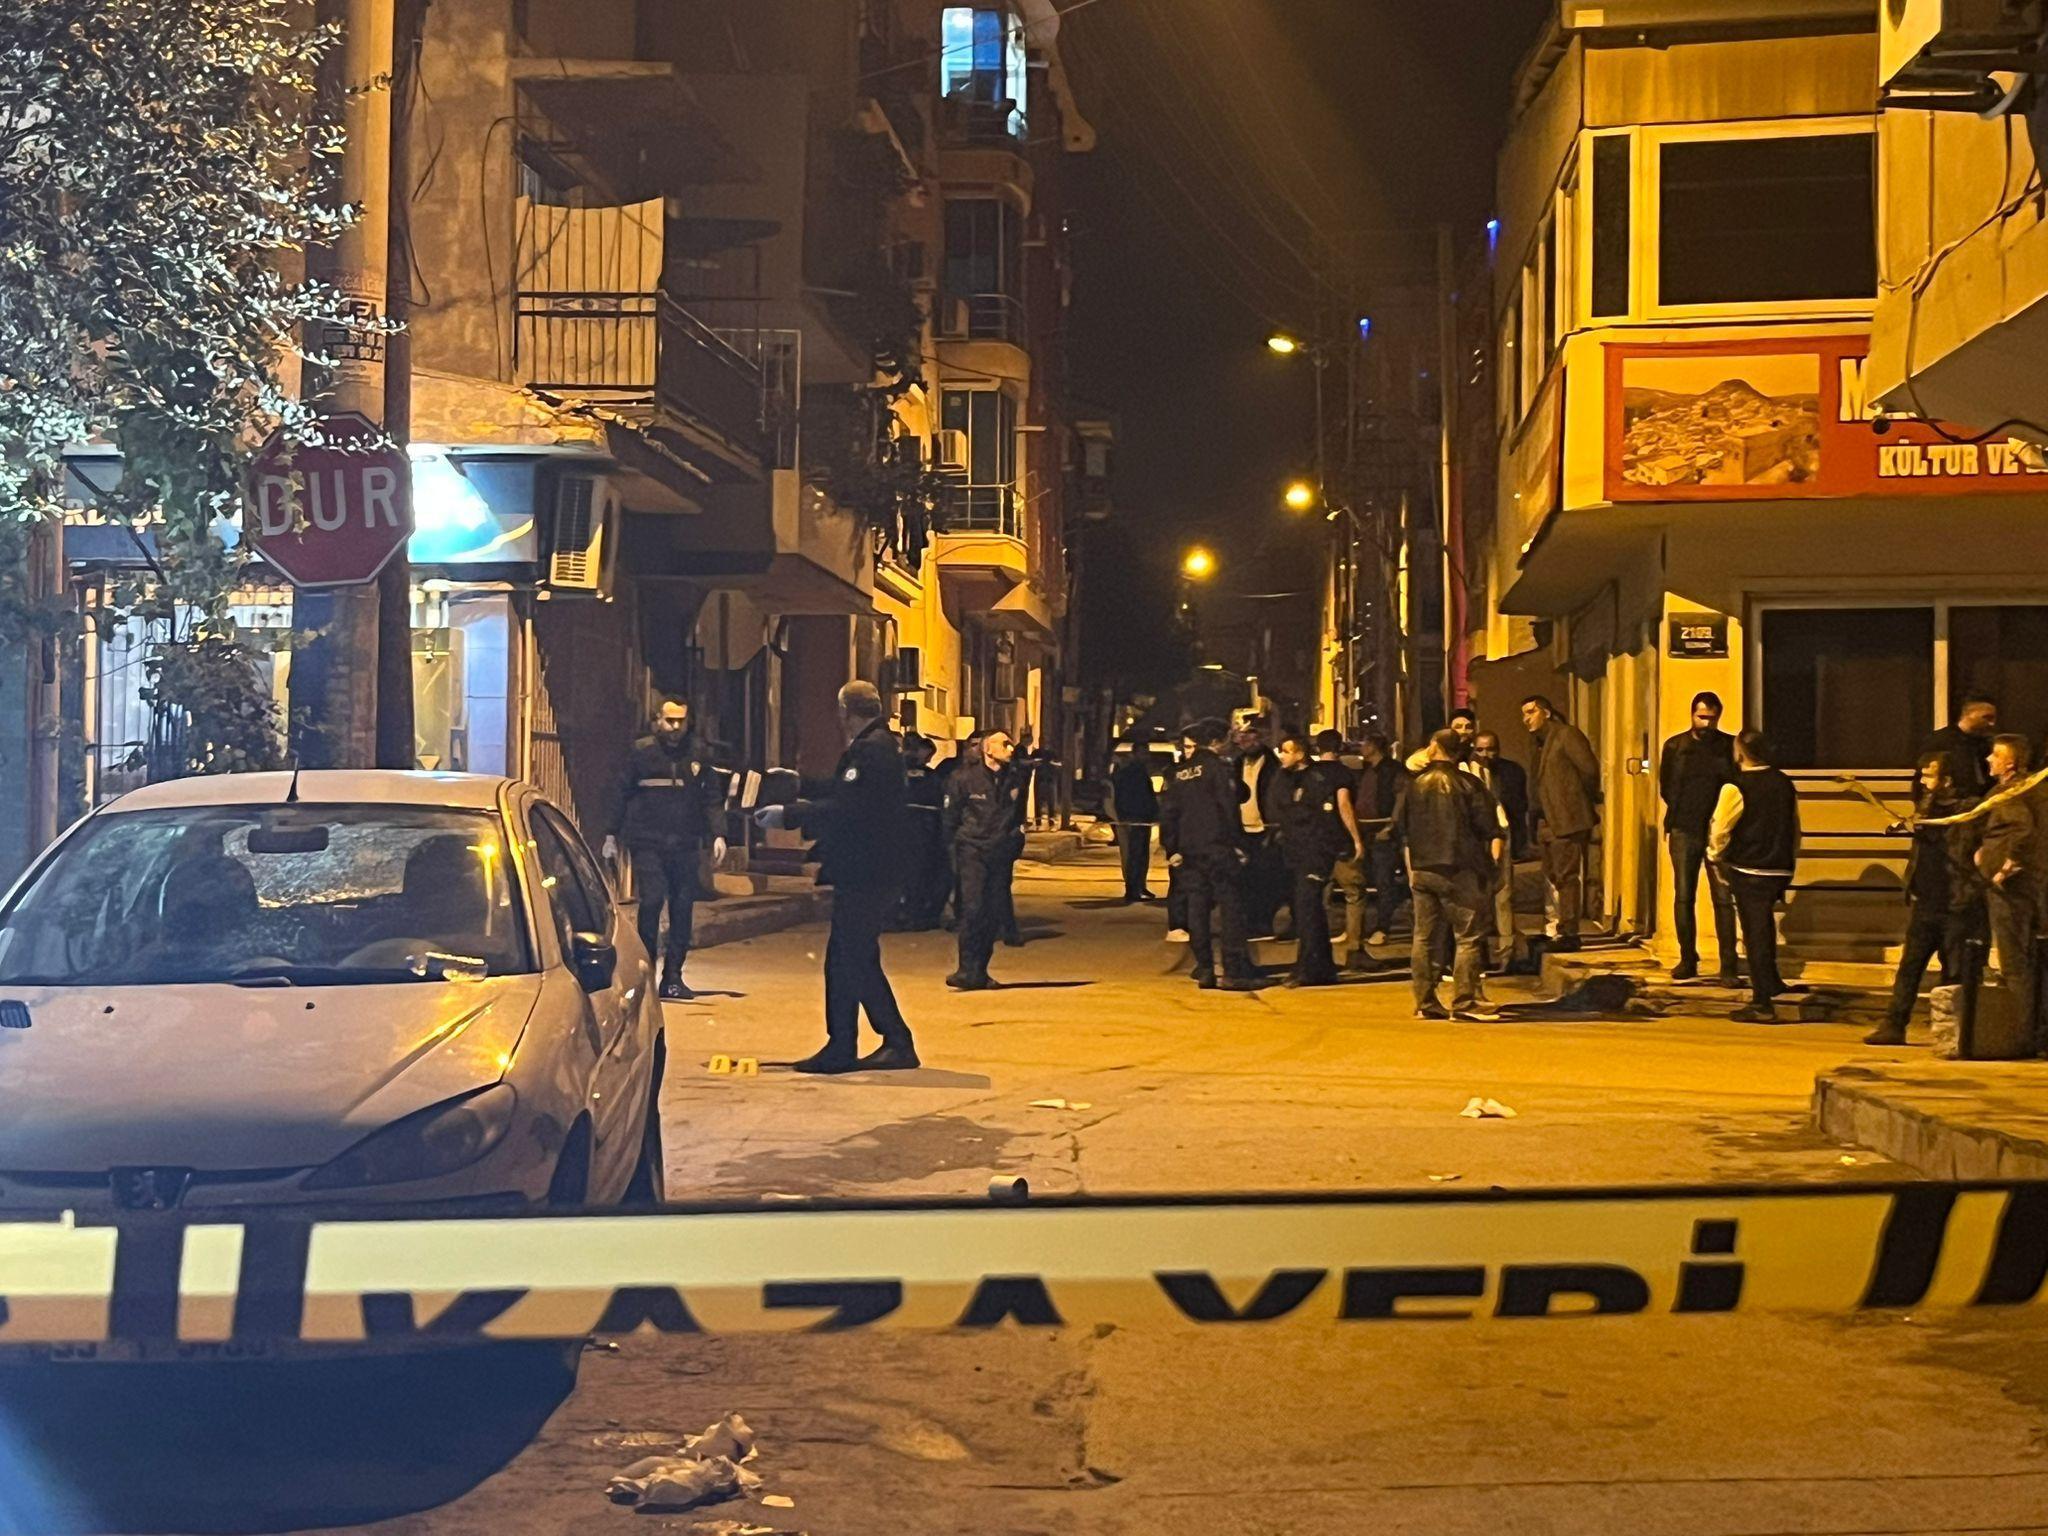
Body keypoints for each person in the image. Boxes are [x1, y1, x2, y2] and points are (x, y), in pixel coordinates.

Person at [756, 681, 918, 1074]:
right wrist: (799, 783)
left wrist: (789, 815)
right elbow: (842, 790)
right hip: (871, 870)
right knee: (849, 959)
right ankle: (854, 1043)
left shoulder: (871, 749)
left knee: (851, 959)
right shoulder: (877, 745)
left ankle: (885, 1041)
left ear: (845, 711)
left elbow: (850, 806)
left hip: (868, 871)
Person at [607, 696, 727, 1000]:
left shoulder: (699, 753)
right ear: (658, 721)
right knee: (651, 900)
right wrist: (610, 833)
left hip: (685, 843)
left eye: (680, 721)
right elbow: (620, 793)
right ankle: (645, 972)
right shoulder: (642, 753)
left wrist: (718, 834)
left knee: (682, 906)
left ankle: (673, 976)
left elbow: (712, 798)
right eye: (669, 720)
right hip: (648, 841)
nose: (675, 727)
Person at [1868, 750, 1985, 1047]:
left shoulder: (1969, 811)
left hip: (1956, 902)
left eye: (1929, 775)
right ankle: (1894, 1024)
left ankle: (1955, 1032)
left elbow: (1966, 849)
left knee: (1954, 971)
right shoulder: (1926, 806)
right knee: (1910, 966)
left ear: (1947, 780)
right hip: (1926, 901)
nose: (1922, 781)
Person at [1394, 727, 1505, 1021]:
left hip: (1423, 868)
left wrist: (1411, 867)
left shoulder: (1414, 784)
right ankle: (1464, 1001)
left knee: (1424, 937)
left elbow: (1401, 827)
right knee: (1468, 936)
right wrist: (1494, 867)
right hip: (1460, 868)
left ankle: (1425, 1000)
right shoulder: (1469, 783)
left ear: (1434, 747)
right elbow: (1489, 828)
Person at [1707, 729, 1801, 1024]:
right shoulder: (1783, 782)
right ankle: (1772, 982)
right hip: (1778, 866)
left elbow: (1721, 828)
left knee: (1755, 933)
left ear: (1740, 753)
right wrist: (1790, 858)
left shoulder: (1736, 786)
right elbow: (1795, 826)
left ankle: (1762, 1003)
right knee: (1765, 926)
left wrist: (1715, 856)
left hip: (1748, 867)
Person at [1161, 717, 1258, 991]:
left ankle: (1204, 968)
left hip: (1189, 850)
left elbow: (1168, 812)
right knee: (1231, 908)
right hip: (1218, 847)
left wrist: (1172, 848)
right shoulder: (1220, 768)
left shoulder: (1179, 772)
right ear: (1216, 741)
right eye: (1227, 738)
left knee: (1197, 909)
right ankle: (1233, 969)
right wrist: (1238, 844)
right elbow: (1228, 807)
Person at [1659, 691, 1739, 983]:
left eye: (1711, 718)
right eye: (1701, 717)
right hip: (1684, 827)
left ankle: (1728, 965)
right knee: (1684, 895)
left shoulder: (1729, 746)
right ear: (1692, 714)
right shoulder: (1676, 746)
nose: (1706, 724)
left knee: (1723, 898)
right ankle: (1687, 959)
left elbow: (1737, 786)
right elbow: (1666, 786)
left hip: (1719, 830)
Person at [1976, 732, 2044, 1051]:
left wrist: (2004, 868)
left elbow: (2024, 831)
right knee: (2026, 959)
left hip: (2012, 890)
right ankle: (2031, 1030)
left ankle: (2022, 1034)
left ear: (2010, 762)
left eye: (1995, 755)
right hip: (2020, 886)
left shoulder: (2014, 792)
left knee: (2015, 960)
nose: (1989, 759)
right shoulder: (2027, 789)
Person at [944, 728, 1026, 990]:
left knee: (992, 911)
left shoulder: (1015, 778)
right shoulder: (964, 778)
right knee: (973, 908)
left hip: (1000, 852)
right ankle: (966, 968)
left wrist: (1014, 841)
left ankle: (980, 971)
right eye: (1004, 744)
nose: (1010, 749)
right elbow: (950, 817)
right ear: (987, 749)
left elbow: (1018, 815)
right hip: (972, 850)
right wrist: (954, 848)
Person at [1521, 694, 1601, 951]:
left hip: (1566, 818)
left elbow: (1589, 770)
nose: (1526, 719)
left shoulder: (1566, 735)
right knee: (1552, 876)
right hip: (1546, 819)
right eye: (1524, 714)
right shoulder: (1538, 743)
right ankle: (1554, 927)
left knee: (1566, 876)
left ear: (1546, 712)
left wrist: (1576, 801)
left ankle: (1569, 932)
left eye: (1531, 712)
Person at [1274, 731, 1354, 987]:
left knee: (1308, 907)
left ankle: (1308, 968)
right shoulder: (1283, 778)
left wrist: (1349, 842)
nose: (1282, 756)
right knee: (1307, 911)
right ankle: (1321, 966)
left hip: (1314, 851)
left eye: (1287, 751)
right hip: (1293, 852)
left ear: (1300, 753)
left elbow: (1331, 813)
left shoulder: (1317, 779)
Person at [1346, 731, 1405, 956]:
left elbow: (1401, 799)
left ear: (1373, 746)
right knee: (1367, 878)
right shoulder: (1366, 770)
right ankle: (1363, 927)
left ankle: (1383, 926)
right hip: (1366, 831)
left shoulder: (1393, 770)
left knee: (1384, 880)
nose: (1361, 748)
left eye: (1365, 743)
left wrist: (1390, 827)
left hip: (1383, 830)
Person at [1231, 717, 1286, 938]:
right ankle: (1250, 922)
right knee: (1245, 880)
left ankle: (1264, 922)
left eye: (1251, 736)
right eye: (1243, 737)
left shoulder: (1274, 766)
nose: (1247, 741)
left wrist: (1277, 827)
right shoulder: (1235, 765)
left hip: (1267, 830)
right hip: (1242, 831)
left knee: (1267, 880)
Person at [899, 734, 949, 930]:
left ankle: (908, 913)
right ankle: (917, 914)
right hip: (924, 831)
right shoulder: (930, 776)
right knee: (921, 874)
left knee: (908, 875)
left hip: (904, 830)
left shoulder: (897, 773)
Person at [1109, 735, 1162, 903]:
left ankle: (1140, 886)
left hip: (1142, 818)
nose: (1146, 756)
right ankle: (1133, 889)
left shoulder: (1140, 771)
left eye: (1147, 753)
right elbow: (1126, 796)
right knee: (1134, 855)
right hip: (1134, 818)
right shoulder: (1130, 772)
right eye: (1143, 753)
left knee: (1142, 855)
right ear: (1135, 754)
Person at [1924, 694, 1998, 799]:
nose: (1992, 723)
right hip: (1949, 803)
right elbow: (1924, 780)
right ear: (1969, 714)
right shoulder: (1940, 741)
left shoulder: (1987, 744)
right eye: (1986, 717)